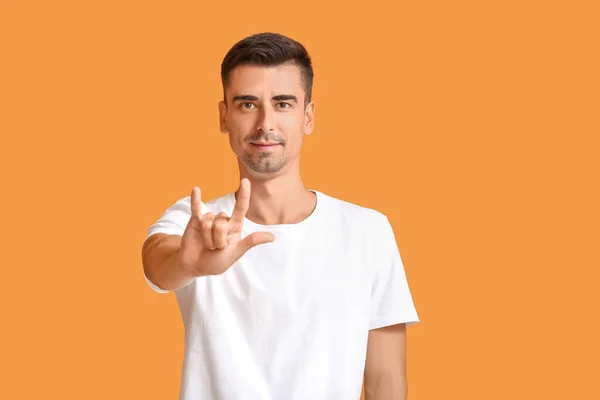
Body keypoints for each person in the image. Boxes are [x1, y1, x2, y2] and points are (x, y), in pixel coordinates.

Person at [141, 32, 420, 400]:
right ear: (224, 117)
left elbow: (386, 381)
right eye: (247, 104)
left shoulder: (367, 232)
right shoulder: (198, 223)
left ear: (308, 116)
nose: (265, 123)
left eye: (283, 104)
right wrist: (187, 263)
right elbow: (156, 262)